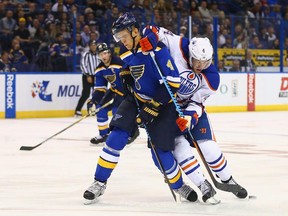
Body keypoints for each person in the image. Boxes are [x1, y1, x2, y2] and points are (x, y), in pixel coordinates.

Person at [83, 12, 198, 204]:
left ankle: (179, 186)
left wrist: (153, 106)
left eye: (124, 37)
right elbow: (131, 72)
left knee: (160, 152)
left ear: (135, 31)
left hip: (161, 104)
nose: (122, 41)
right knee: (115, 137)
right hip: (135, 100)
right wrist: (125, 76)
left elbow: (174, 82)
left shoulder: (158, 51)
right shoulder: (124, 52)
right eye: (119, 38)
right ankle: (99, 182)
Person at [140, 26, 248, 201]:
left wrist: (190, 117)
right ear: (190, 54)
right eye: (197, 61)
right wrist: (151, 38)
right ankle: (202, 184)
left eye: (205, 62)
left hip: (191, 111)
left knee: (209, 148)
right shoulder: (179, 44)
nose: (200, 66)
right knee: (180, 148)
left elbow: (197, 102)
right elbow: (154, 30)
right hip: (168, 109)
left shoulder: (211, 77)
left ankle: (228, 179)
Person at [87, 42, 139, 145]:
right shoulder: (99, 69)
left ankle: (131, 132)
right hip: (115, 91)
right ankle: (103, 134)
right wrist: (93, 101)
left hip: (127, 91)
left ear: (109, 53)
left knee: (118, 111)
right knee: (100, 108)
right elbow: (100, 89)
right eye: (101, 54)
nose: (104, 56)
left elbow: (131, 76)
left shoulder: (119, 62)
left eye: (105, 53)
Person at [74, 40, 100, 117]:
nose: (93, 46)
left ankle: (93, 109)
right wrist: (88, 75)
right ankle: (77, 110)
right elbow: (83, 65)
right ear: (89, 46)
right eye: (92, 45)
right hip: (87, 76)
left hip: (96, 76)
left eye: (94, 45)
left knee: (97, 94)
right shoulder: (86, 54)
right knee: (85, 94)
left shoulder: (98, 55)